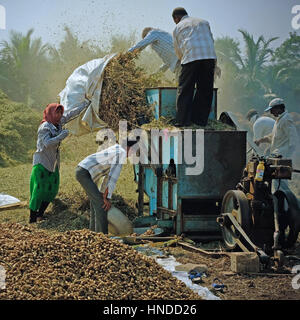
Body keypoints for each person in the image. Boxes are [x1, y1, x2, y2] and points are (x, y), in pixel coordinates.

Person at [29, 100, 90, 223]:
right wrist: (61, 136)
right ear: (50, 113)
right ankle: (32, 218)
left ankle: (40, 215)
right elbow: (47, 143)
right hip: (42, 162)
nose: (59, 116)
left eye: (60, 113)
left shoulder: (58, 122)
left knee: (52, 189)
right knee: (39, 190)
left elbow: (71, 114)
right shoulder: (44, 127)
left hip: (53, 162)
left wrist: (86, 104)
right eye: (56, 113)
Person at [75, 139, 138, 234]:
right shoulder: (121, 153)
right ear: (130, 148)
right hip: (85, 173)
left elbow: (108, 177)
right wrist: (107, 198)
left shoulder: (117, 149)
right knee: (102, 206)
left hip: (83, 171)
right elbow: (113, 178)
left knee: (95, 204)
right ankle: (102, 237)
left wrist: (103, 193)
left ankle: (93, 234)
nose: (133, 153)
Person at [172, 7, 217, 127]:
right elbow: (211, 40)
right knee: (205, 90)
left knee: (185, 89)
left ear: (176, 18)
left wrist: (183, 61)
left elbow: (178, 50)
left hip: (191, 57)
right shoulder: (204, 22)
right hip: (209, 56)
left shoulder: (178, 27)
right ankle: (200, 120)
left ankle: (182, 121)